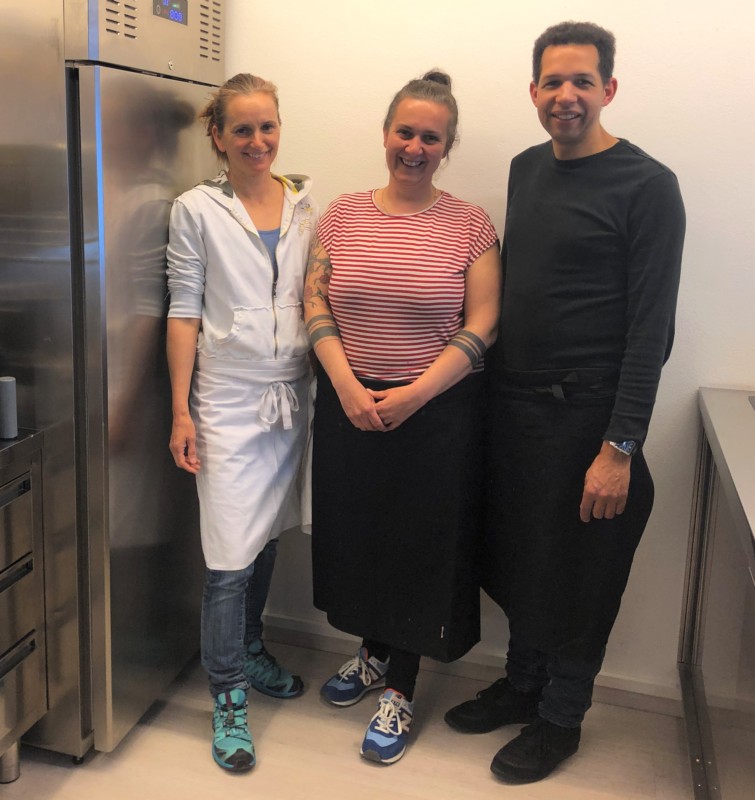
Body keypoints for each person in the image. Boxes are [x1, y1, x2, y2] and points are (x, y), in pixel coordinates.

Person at [443, 21, 686, 784]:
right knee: (522, 562)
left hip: (590, 418)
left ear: (608, 88)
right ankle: (521, 685)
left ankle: (560, 716)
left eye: (582, 81)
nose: (566, 96)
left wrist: (619, 447)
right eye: (552, 82)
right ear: (533, 91)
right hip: (515, 410)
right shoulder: (525, 169)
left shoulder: (647, 187)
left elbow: (650, 332)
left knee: (582, 576)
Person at [305, 70, 501, 765]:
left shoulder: (471, 225)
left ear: (447, 147)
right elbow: (314, 301)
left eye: (431, 138)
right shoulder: (341, 214)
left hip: (437, 413)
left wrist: (415, 394)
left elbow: (484, 321)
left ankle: (401, 687)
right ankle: (372, 654)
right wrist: (345, 384)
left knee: (419, 548)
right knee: (361, 537)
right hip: (348, 403)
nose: (414, 147)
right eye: (405, 132)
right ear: (385, 134)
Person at [166, 72, 317, 773]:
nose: (258, 140)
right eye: (242, 129)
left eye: (267, 126)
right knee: (228, 557)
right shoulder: (196, 209)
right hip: (227, 400)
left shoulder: (304, 204)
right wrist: (181, 410)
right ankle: (227, 697)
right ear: (218, 137)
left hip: (291, 395)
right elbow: (184, 311)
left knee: (266, 537)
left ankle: (250, 649)